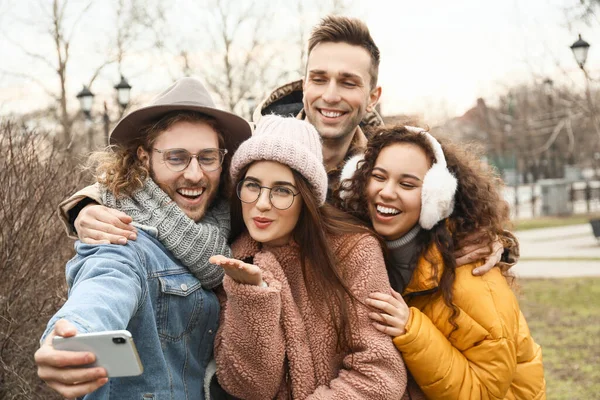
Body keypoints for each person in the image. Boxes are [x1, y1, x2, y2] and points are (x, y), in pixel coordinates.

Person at [61, 16, 514, 276]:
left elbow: (452, 211)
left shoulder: (388, 164)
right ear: (306, 81)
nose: (331, 95)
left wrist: (495, 241)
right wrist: (83, 207)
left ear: (373, 96)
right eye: (319, 79)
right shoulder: (256, 154)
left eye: (348, 82)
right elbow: (172, 181)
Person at [34, 77, 252, 399]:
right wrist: (69, 339)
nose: (194, 174)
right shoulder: (122, 234)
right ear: (145, 157)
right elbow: (105, 285)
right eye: (176, 157)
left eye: (207, 157)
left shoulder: (237, 223)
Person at [336, 125, 546, 399]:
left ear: (436, 198)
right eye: (379, 176)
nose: (387, 192)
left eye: (407, 184)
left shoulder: (473, 277)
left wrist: (411, 329)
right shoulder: (366, 249)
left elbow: (482, 393)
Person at [208, 115, 407, 399]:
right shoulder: (236, 259)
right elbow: (249, 387)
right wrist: (252, 295)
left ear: (307, 198)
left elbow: (380, 374)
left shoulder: (353, 249)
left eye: (282, 190)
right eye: (252, 185)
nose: (262, 204)